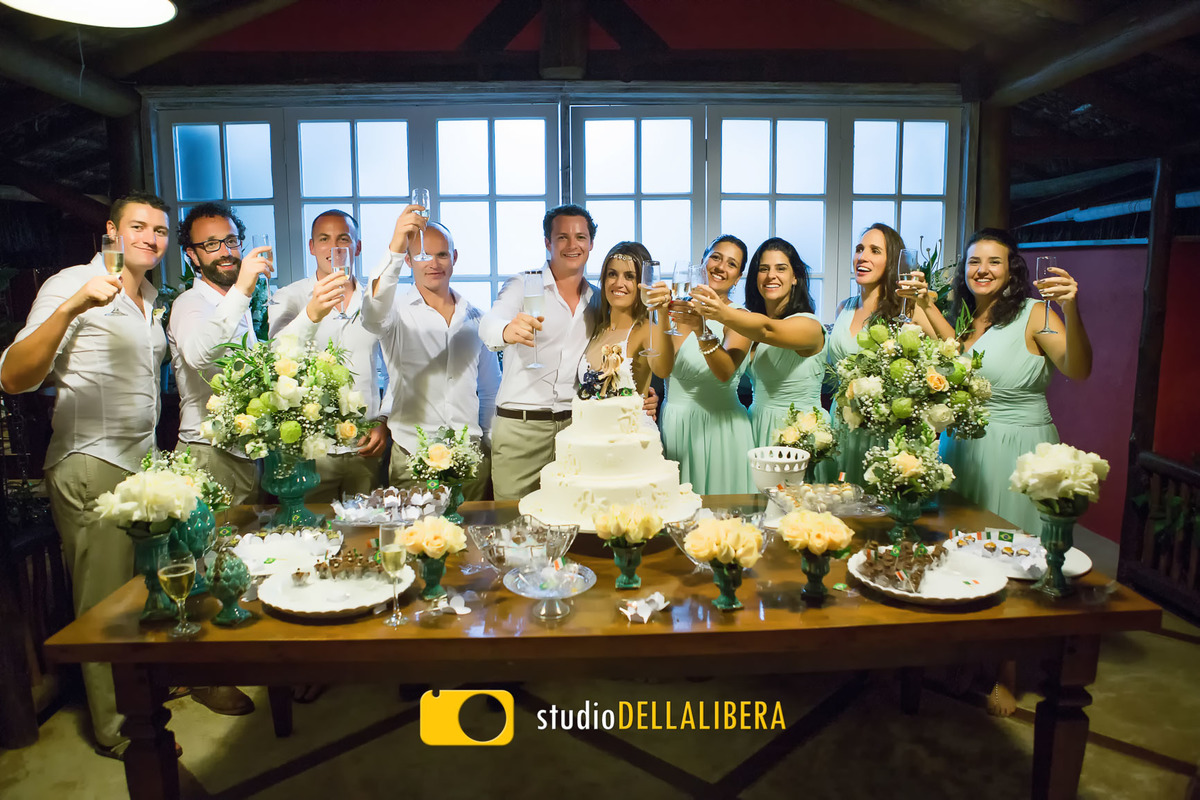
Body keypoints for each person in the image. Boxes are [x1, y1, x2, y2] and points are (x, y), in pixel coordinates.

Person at [939, 229, 1093, 717]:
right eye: (973, 261)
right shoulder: (968, 322)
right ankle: (962, 654)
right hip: (962, 447)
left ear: (1012, 270)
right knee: (962, 551)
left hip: (1015, 447)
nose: (982, 269)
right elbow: (956, 365)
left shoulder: (1037, 313)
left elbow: (1078, 367)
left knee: (1010, 558)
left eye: (994, 261)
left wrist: (1073, 310)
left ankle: (1004, 670)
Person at [363, 210, 499, 499]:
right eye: (423, 255)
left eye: (441, 255)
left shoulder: (477, 318)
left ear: (454, 258)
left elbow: (489, 391)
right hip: (413, 458)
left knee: (469, 541)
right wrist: (396, 245)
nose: (434, 263)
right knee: (414, 542)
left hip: (470, 461)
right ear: (409, 260)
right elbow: (372, 312)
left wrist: (489, 448)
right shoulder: (394, 312)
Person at [269, 210, 389, 501]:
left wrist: (384, 421)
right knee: (313, 536)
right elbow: (275, 358)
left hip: (366, 445)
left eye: (343, 239)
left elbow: (398, 368)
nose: (334, 248)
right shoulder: (289, 297)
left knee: (367, 533)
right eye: (324, 239)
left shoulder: (378, 301)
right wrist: (312, 313)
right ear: (311, 247)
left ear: (357, 247)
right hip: (311, 450)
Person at [822, 223, 950, 484]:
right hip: (842, 420)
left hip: (884, 427)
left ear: (892, 261)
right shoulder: (843, 308)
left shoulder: (908, 309)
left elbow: (950, 351)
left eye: (874, 250)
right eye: (859, 249)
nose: (862, 257)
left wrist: (927, 305)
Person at [169, 202, 268, 510]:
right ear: (192, 255)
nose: (226, 251)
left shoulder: (235, 304)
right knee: (209, 555)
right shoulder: (190, 302)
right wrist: (242, 289)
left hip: (245, 454)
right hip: (207, 455)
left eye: (231, 240)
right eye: (211, 244)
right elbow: (199, 355)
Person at [690, 237, 826, 450]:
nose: (771, 275)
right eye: (763, 269)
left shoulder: (810, 326)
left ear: (795, 278)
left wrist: (722, 311)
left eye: (781, 268)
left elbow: (767, 330)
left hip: (801, 433)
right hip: (755, 428)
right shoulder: (749, 328)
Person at [659, 235, 755, 494]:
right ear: (702, 262)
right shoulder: (672, 311)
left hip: (720, 431)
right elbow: (658, 367)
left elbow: (724, 372)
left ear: (738, 277)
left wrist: (700, 328)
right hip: (674, 424)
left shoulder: (740, 318)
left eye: (731, 264)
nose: (721, 267)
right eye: (715, 257)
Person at [578, 241, 673, 395]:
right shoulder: (596, 327)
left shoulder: (646, 330)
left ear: (643, 283)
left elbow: (663, 370)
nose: (618, 283)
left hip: (631, 419)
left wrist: (662, 313)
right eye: (612, 274)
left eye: (629, 276)